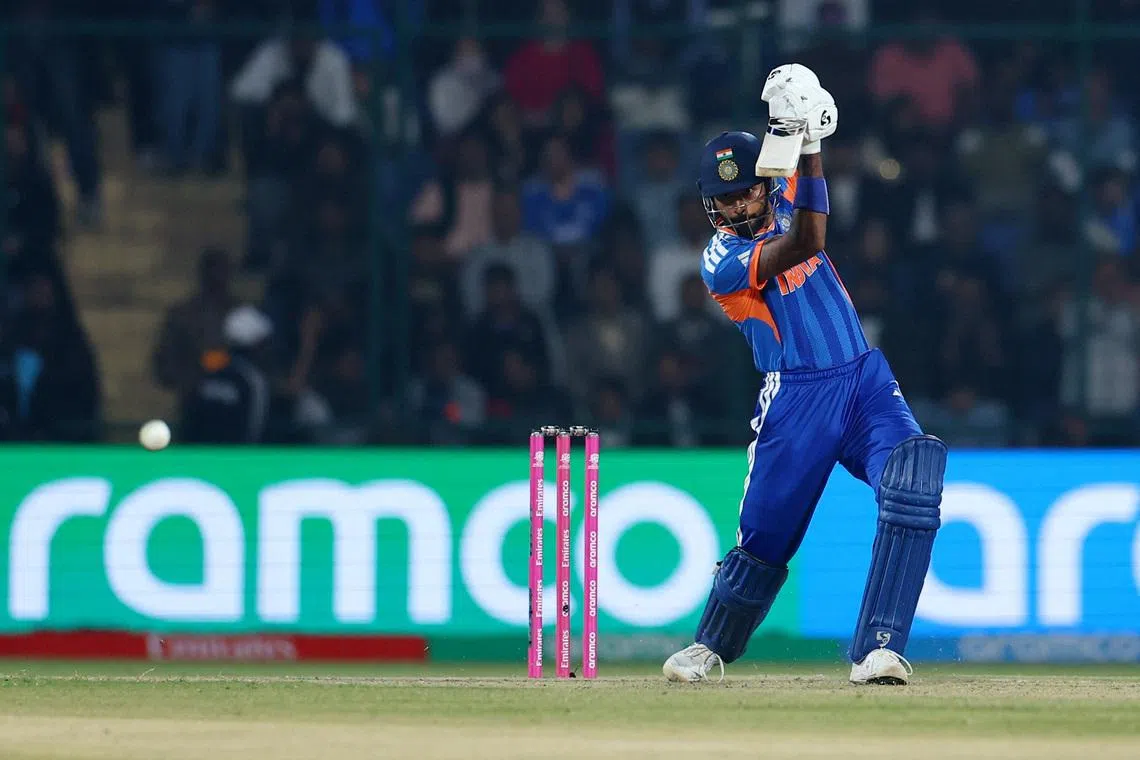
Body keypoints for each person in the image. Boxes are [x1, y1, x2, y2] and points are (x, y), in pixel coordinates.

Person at [662, 64, 947, 686]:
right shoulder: (721, 260)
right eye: (725, 200)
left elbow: (795, 148)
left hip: (864, 381)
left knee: (913, 481)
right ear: (710, 207)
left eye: (748, 192)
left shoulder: (782, 193)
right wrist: (811, 143)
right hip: (796, 401)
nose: (739, 206)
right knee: (764, 543)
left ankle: (879, 649)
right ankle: (709, 646)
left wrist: (799, 126)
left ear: (765, 186)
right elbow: (809, 241)